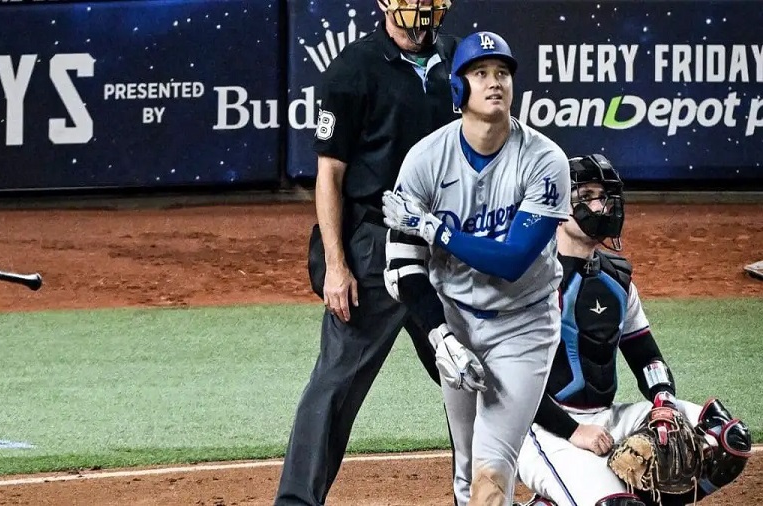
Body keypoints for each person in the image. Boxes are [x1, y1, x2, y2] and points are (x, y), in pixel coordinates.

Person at [273, 1, 463, 504]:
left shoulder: (456, 62)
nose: (419, 8)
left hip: (443, 248)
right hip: (375, 248)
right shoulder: (352, 69)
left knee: (470, 375)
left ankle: (484, 492)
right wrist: (337, 264)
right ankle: (295, 501)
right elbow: (329, 175)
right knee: (336, 384)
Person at [381, 30, 572, 505]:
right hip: (457, 321)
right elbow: (404, 267)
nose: (495, 83)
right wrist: (438, 335)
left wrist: (436, 230)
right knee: (466, 476)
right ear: (459, 88)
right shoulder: (425, 160)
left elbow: (511, 262)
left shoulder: (545, 161)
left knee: (491, 474)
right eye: (481, 73)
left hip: (524, 325)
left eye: (503, 73)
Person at [514, 154, 753, 506]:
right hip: (542, 430)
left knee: (726, 439)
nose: (602, 205)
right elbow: (514, 385)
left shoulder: (616, 278)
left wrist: (663, 401)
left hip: (606, 419)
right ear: (560, 208)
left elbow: (646, 355)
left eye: (605, 196)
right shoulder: (532, 280)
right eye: (589, 195)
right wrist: (575, 431)